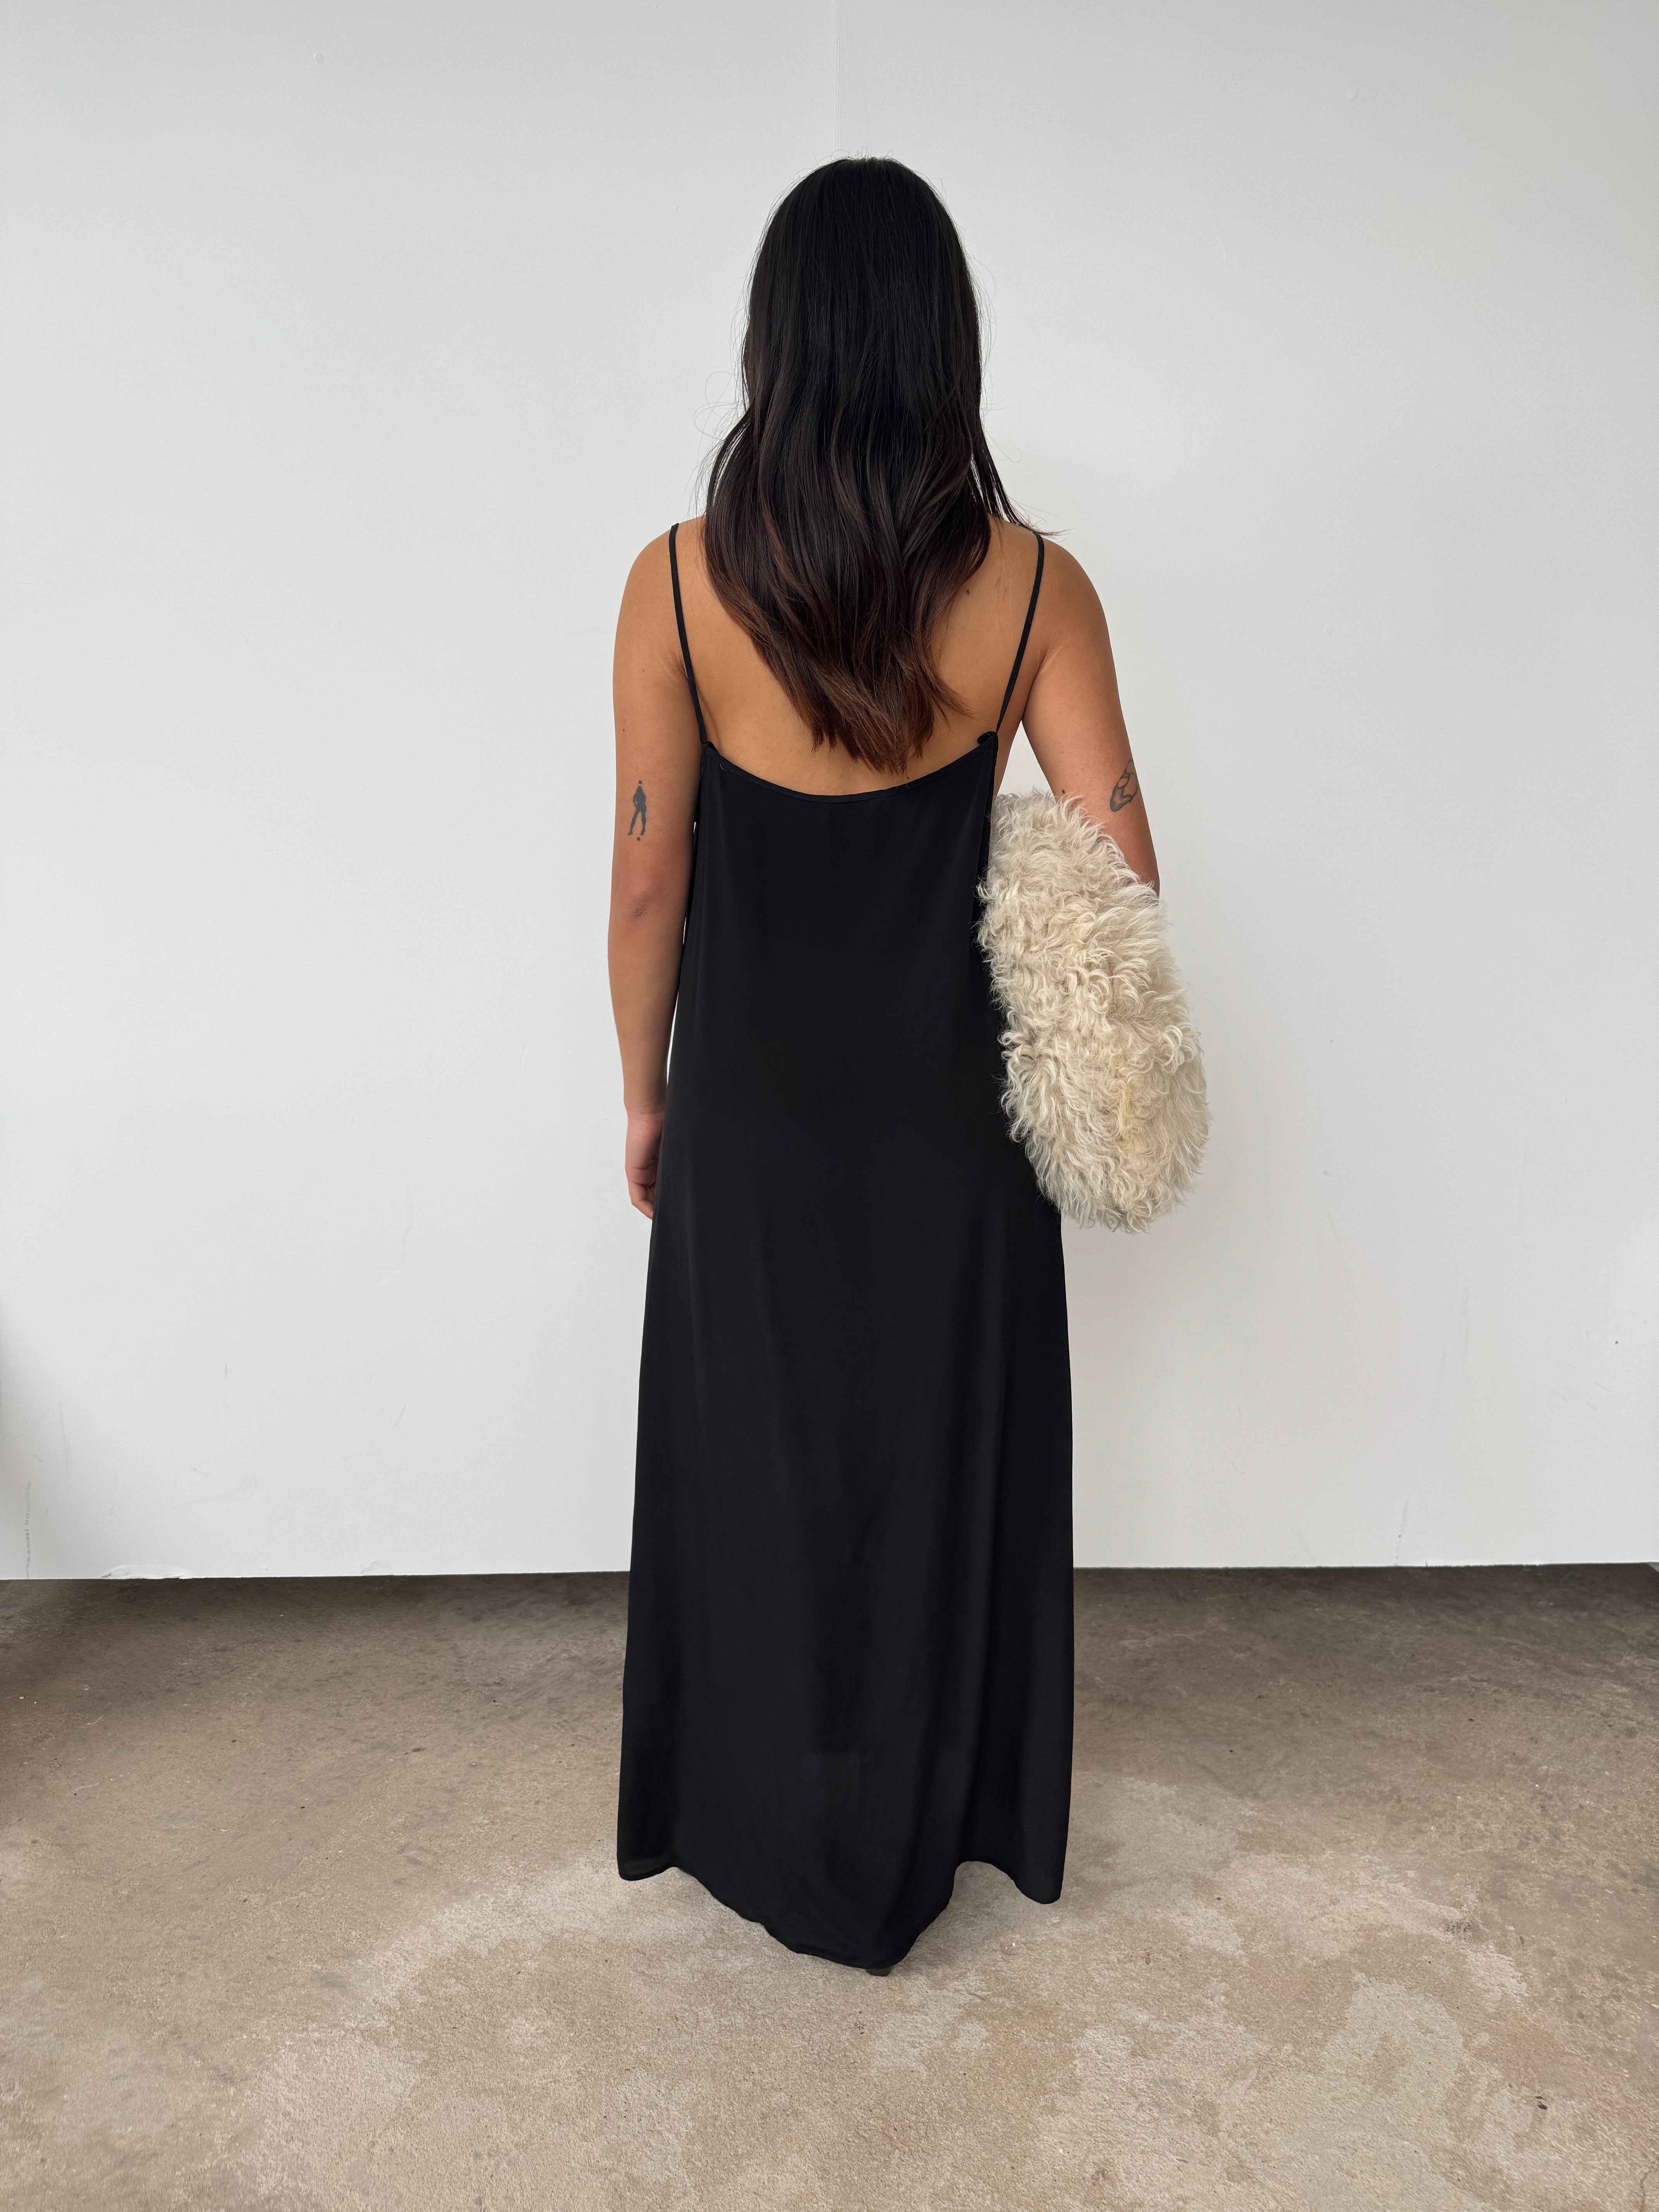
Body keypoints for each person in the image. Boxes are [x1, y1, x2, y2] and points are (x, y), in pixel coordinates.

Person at [606, 157, 1158, 1975]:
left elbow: (645, 880)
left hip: (752, 1116)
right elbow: (1120, 869)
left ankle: (762, 1819)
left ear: (775, 341)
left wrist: (646, 1093)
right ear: (944, 344)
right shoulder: (1038, 588)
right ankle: (934, 1817)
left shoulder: (675, 587)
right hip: (952, 1124)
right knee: (933, 1460)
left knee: (760, 1459)